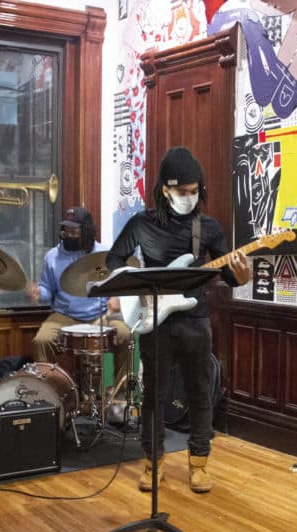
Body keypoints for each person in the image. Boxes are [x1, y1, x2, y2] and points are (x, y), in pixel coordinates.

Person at [106, 146, 252, 493]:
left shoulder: (210, 227)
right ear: (164, 190)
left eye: (194, 191)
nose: (188, 197)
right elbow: (113, 261)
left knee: (200, 393)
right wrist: (134, 286)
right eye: (181, 192)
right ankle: (153, 464)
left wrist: (242, 276)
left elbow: (230, 276)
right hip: (155, 321)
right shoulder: (140, 224)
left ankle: (199, 463)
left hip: (196, 320)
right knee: (154, 395)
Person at [28, 206, 132, 390]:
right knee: (42, 340)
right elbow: (47, 288)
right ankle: (50, 394)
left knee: (125, 335)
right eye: (66, 230)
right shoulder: (52, 256)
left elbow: (119, 282)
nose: (69, 234)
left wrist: (116, 297)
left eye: (74, 230)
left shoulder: (105, 253)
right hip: (64, 315)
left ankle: (119, 395)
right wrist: (39, 293)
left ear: (87, 231)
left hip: (100, 314)